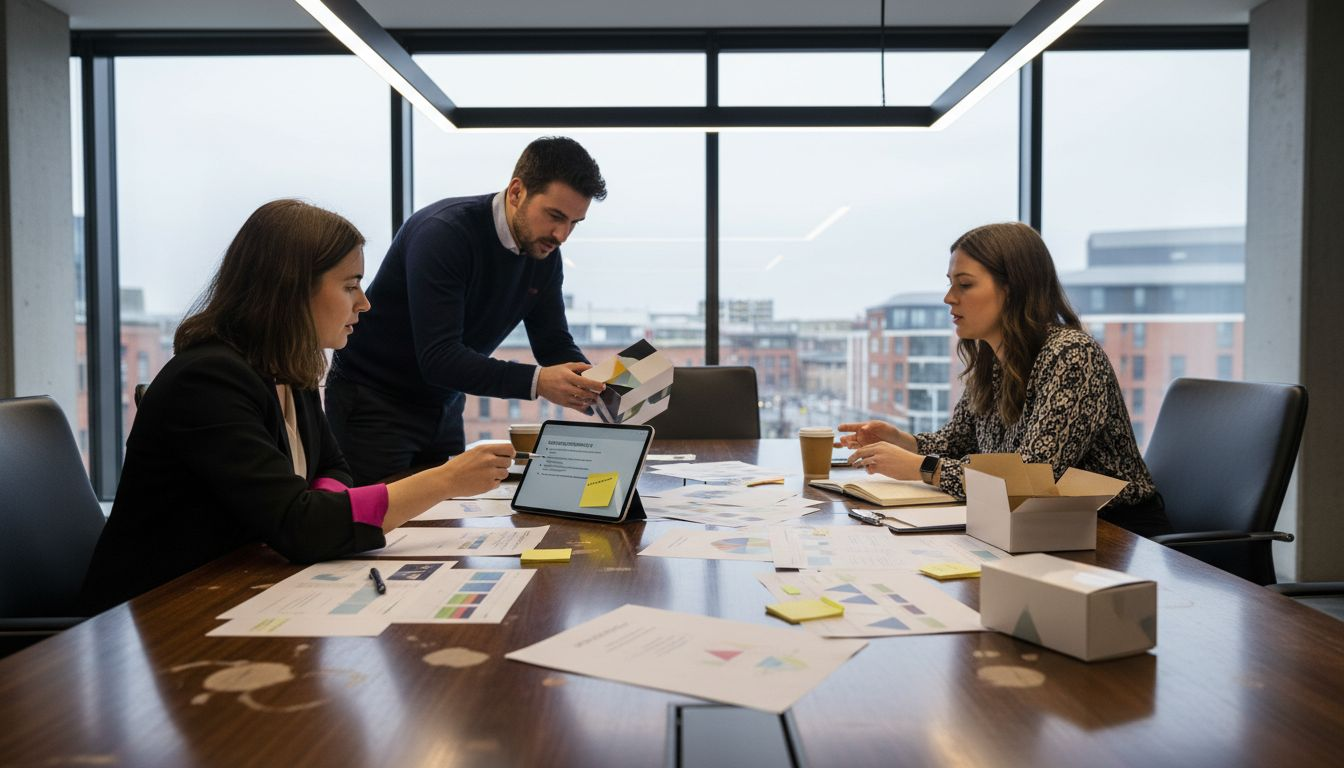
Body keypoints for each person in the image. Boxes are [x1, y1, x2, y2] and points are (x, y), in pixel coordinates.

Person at [80, 200, 515, 613]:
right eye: (350, 286)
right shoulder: (208, 380)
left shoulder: (288, 369)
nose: (364, 303)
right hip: (153, 614)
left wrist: (317, 511)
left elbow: (334, 468)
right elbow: (300, 527)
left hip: (234, 587)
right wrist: (444, 481)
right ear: (292, 290)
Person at [838, 221, 1170, 538]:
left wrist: (922, 468)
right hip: (1040, 529)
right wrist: (902, 441)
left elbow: (1032, 479)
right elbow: (959, 442)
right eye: (950, 283)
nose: (949, 297)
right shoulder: (992, 358)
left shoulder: (1070, 354)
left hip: (1117, 534)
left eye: (964, 284)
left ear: (1012, 289)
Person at [325, 136, 608, 485]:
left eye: (574, 223)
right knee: (375, 528)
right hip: (375, 402)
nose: (562, 235)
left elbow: (553, 343)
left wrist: (593, 385)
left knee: (445, 524)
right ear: (517, 192)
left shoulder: (543, 253)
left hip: (445, 405)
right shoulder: (444, 234)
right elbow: (439, 357)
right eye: (555, 216)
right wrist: (538, 382)